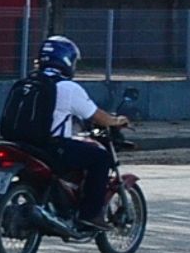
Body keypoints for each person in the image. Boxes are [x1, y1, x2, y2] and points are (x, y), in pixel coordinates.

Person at [35, 35, 131, 233]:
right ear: (66, 60)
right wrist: (116, 121)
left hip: (24, 144)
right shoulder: (67, 87)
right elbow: (96, 116)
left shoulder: (30, 81)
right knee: (100, 158)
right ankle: (90, 215)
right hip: (53, 147)